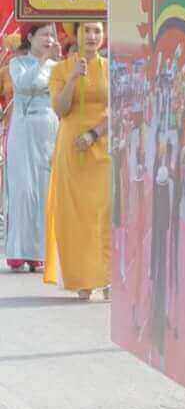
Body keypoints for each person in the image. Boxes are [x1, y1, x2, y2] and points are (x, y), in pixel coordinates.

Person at [46, 18, 112, 300]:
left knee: (105, 213)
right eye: (87, 30)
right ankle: (83, 279)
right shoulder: (61, 69)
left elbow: (120, 107)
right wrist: (73, 77)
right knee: (76, 215)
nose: (92, 36)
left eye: (97, 30)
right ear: (77, 34)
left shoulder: (112, 68)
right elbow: (60, 109)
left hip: (103, 147)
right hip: (71, 148)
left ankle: (107, 276)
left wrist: (95, 134)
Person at [5, 24, 60, 270]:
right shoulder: (18, 64)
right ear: (30, 37)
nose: (49, 39)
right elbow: (24, 86)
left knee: (44, 186)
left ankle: (40, 251)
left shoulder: (58, 67)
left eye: (52, 35)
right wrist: (43, 61)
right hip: (23, 129)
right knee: (22, 188)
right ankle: (18, 249)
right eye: (44, 35)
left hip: (48, 129)